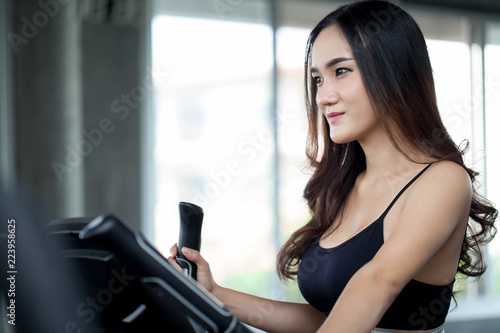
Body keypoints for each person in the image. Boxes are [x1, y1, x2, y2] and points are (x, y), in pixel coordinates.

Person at [168, 1, 498, 332]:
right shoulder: (347, 187)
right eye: (317, 79)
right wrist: (215, 293)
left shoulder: (441, 180)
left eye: (340, 71)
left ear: (392, 70)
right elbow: (327, 322)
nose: (323, 96)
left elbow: (377, 282)